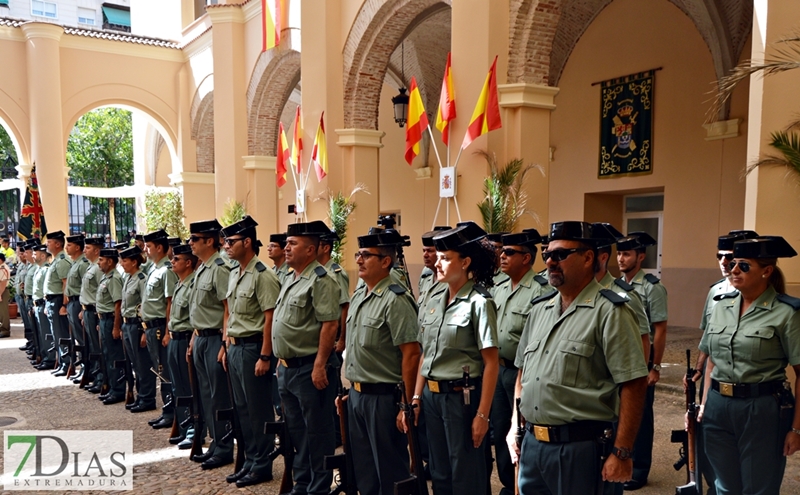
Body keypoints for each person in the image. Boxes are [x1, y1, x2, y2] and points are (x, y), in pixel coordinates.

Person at [509, 221, 648, 495]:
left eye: (560, 254)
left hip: (579, 451)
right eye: (547, 254)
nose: (550, 261)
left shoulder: (610, 311)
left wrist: (622, 452)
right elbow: (523, 374)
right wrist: (515, 425)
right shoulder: (539, 310)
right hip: (533, 446)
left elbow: (633, 383)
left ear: (588, 258)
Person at [698, 236, 800, 494]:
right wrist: (704, 407)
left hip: (760, 410)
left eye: (743, 265)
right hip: (718, 407)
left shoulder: (786, 313)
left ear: (766, 271)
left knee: (758, 488)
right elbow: (712, 359)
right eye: (733, 263)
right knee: (724, 487)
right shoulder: (721, 306)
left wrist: (796, 428)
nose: (733, 270)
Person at [412, 221, 499, 495]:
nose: (437, 264)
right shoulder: (436, 299)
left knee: (465, 472)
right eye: (437, 257)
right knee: (439, 472)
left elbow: (491, 363)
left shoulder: (479, 303)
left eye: (445, 259)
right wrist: (416, 397)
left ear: (465, 262)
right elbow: (426, 353)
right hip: (432, 397)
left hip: (461, 398)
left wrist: (482, 415)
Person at [344, 231, 421, 495]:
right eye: (359, 255)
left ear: (386, 262)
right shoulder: (359, 295)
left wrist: (406, 404)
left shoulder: (395, 300)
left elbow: (411, 354)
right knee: (365, 472)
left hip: (383, 399)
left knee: (390, 472)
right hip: (357, 396)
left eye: (367, 255)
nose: (360, 260)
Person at [273, 220, 342, 495]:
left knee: (318, 432)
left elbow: (330, 324)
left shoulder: (321, 279)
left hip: (309, 367)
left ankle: (318, 487)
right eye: (287, 243)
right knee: (297, 431)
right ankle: (302, 484)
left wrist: (320, 365)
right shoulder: (291, 277)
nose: (286, 247)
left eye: (293, 244)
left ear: (311, 250)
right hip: (288, 369)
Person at [490, 229, 552, 495]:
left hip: (522, 374)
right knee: (500, 429)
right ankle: (508, 483)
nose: (502, 256)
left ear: (526, 258)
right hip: (499, 369)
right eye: (502, 251)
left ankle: (523, 483)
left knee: (523, 431)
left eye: (509, 252)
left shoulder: (541, 290)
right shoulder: (499, 287)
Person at [221, 216, 282, 487]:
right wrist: (225, 345)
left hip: (253, 349)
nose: (226, 246)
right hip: (235, 348)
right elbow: (230, 312)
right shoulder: (235, 273)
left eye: (231, 242)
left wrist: (266, 356)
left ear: (247, 242)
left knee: (258, 411)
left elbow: (270, 317)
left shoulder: (263, 275)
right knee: (242, 409)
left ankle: (262, 464)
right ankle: (249, 459)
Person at [616, 231, 667, 490]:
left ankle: (640, 469)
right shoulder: (615, 285)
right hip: (622, 362)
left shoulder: (651, 287)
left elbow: (659, 329)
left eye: (626, 254)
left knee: (642, 417)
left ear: (641, 256)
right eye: (619, 253)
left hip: (643, 363)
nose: (621, 258)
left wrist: (654, 367)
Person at [187, 219, 235, 470]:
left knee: (219, 396)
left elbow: (228, 309)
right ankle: (216, 443)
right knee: (206, 396)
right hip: (201, 338)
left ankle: (226, 446)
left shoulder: (219, 267)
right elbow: (199, 309)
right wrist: (194, 338)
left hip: (216, 338)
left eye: (195, 239)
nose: (190, 243)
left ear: (209, 241)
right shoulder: (202, 268)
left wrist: (225, 344)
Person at [141, 229, 178, 430]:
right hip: (150, 327)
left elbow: (169, 302)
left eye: (149, 246)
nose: (145, 249)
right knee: (160, 371)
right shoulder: (153, 269)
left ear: (160, 248)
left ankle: (170, 412)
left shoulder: (166, 271)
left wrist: (167, 331)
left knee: (165, 372)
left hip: (159, 328)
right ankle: (166, 409)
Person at [167, 243, 197, 449]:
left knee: (189, 387)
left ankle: (195, 430)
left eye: (176, 259)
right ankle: (185, 426)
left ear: (188, 263)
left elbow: (196, 316)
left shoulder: (193, 284)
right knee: (178, 386)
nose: (172, 262)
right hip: (175, 338)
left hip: (187, 338)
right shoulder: (180, 283)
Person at [119, 245, 156, 413]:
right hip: (127, 324)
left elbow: (144, 305)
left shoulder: (141, 278)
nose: (122, 263)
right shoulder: (128, 277)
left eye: (125, 260)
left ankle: (147, 398)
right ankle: (140, 395)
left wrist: (142, 331)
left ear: (134, 262)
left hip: (137, 325)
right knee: (134, 363)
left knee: (142, 363)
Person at [96, 248, 126, 405]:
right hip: (104, 320)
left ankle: (118, 390)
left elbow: (118, 304)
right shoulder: (105, 277)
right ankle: (112, 388)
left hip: (111, 320)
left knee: (114, 357)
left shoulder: (114, 278)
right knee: (107, 355)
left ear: (109, 261)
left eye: (101, 259)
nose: (98, 262)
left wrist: (116, 327)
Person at [44, 230, 74, 377]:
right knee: (56, 333)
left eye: (49, 242)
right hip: (51, 300)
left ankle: (67, 362)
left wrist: (64, 304)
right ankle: (62, 362)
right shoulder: (55, 260)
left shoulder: (62, 261)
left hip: (57, 301)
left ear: (57, 244)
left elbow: (65, 284)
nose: (46, 244)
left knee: (61, 332)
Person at [81, 236, 107, 393]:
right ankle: (96, 376)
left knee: (98, 348)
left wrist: (98, 315)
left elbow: (101, 293)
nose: (85, 250)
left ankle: (101, 379)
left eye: (88, 248)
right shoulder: (92, 266)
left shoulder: (98, 268)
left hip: (95, 311)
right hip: (87, 310)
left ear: (97, 250)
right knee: (92, 347)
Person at [64, 234, 89, 381]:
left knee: (83, 338)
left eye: (69, 245)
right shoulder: (74, 263)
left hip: (79, 303)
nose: (66, 247)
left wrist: (82, 309)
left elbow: (85, 288)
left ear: (77, 247)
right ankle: (83, 367)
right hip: (72, 302)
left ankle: (88, 368)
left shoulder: (83, 264)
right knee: (77, 338)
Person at [31, 244, 55, 370]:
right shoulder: (38, 269)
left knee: (46, 333)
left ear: (43, 255)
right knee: (41, 333)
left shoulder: (46, 269)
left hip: (42, 303)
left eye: (35, 254)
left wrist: (45, 305)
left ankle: (50, 358)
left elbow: (47, 290)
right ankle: (45, 356)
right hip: (37, 304)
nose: (33, 256)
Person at [0, 252, 10, 338]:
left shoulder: (3, 268)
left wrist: (0, 294)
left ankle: (5, 330)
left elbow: (3, 282)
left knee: (3, 312)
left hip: (2, 291)